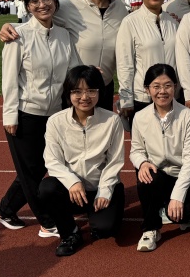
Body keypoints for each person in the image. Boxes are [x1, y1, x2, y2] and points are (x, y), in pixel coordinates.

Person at [0, 0, 82, 239]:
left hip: (54, 114)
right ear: (27, 6)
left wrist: (88, 75)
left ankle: (4, 210)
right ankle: (48, 222)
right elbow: (9, 80)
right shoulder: (18, 37)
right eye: (34, 1)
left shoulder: (63, 35)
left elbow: (73, 70)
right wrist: (10, 115)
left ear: (55, 1)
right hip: (25, 114)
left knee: (38, 168)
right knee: (31, 173)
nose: (42, 5)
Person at [0, 0, 128, 111]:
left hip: (105, 87)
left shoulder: (120, 9)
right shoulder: (69, 4)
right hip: (75, 90)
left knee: (104, 126)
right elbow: (42, 15)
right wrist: (12, 26)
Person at [40, 66, 126, 257]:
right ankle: (69, 233)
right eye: (77, 91)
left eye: (91, 90)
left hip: (99, 188)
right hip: (73, 191)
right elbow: (52, 160)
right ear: (68, 93)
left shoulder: (112, 121)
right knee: (47, 188)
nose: (84, 97)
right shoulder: (55, 122)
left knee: (106, 230)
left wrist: (104, 191)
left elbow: (115, 161)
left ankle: (100, 216)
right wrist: (72, 182)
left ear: (99, 92)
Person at [130, 64, 190, 252]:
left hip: (183, 175)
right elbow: (135, 150)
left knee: (181, 215)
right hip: (159, 174)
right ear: (147, 89)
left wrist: (177, 197)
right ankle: (150, 228)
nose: (162, 91)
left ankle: (179, 208)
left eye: (167, 86)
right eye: (156, 86)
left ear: (175, 87)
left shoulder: (188, 116)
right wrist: (142, 162)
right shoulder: (140, 117)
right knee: (145, 176)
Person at [115, 0, 178, 118]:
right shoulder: (130, 22)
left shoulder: (173, 22)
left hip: (171, 96)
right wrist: (126, 99)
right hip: (143, 98)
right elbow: (125, 64)